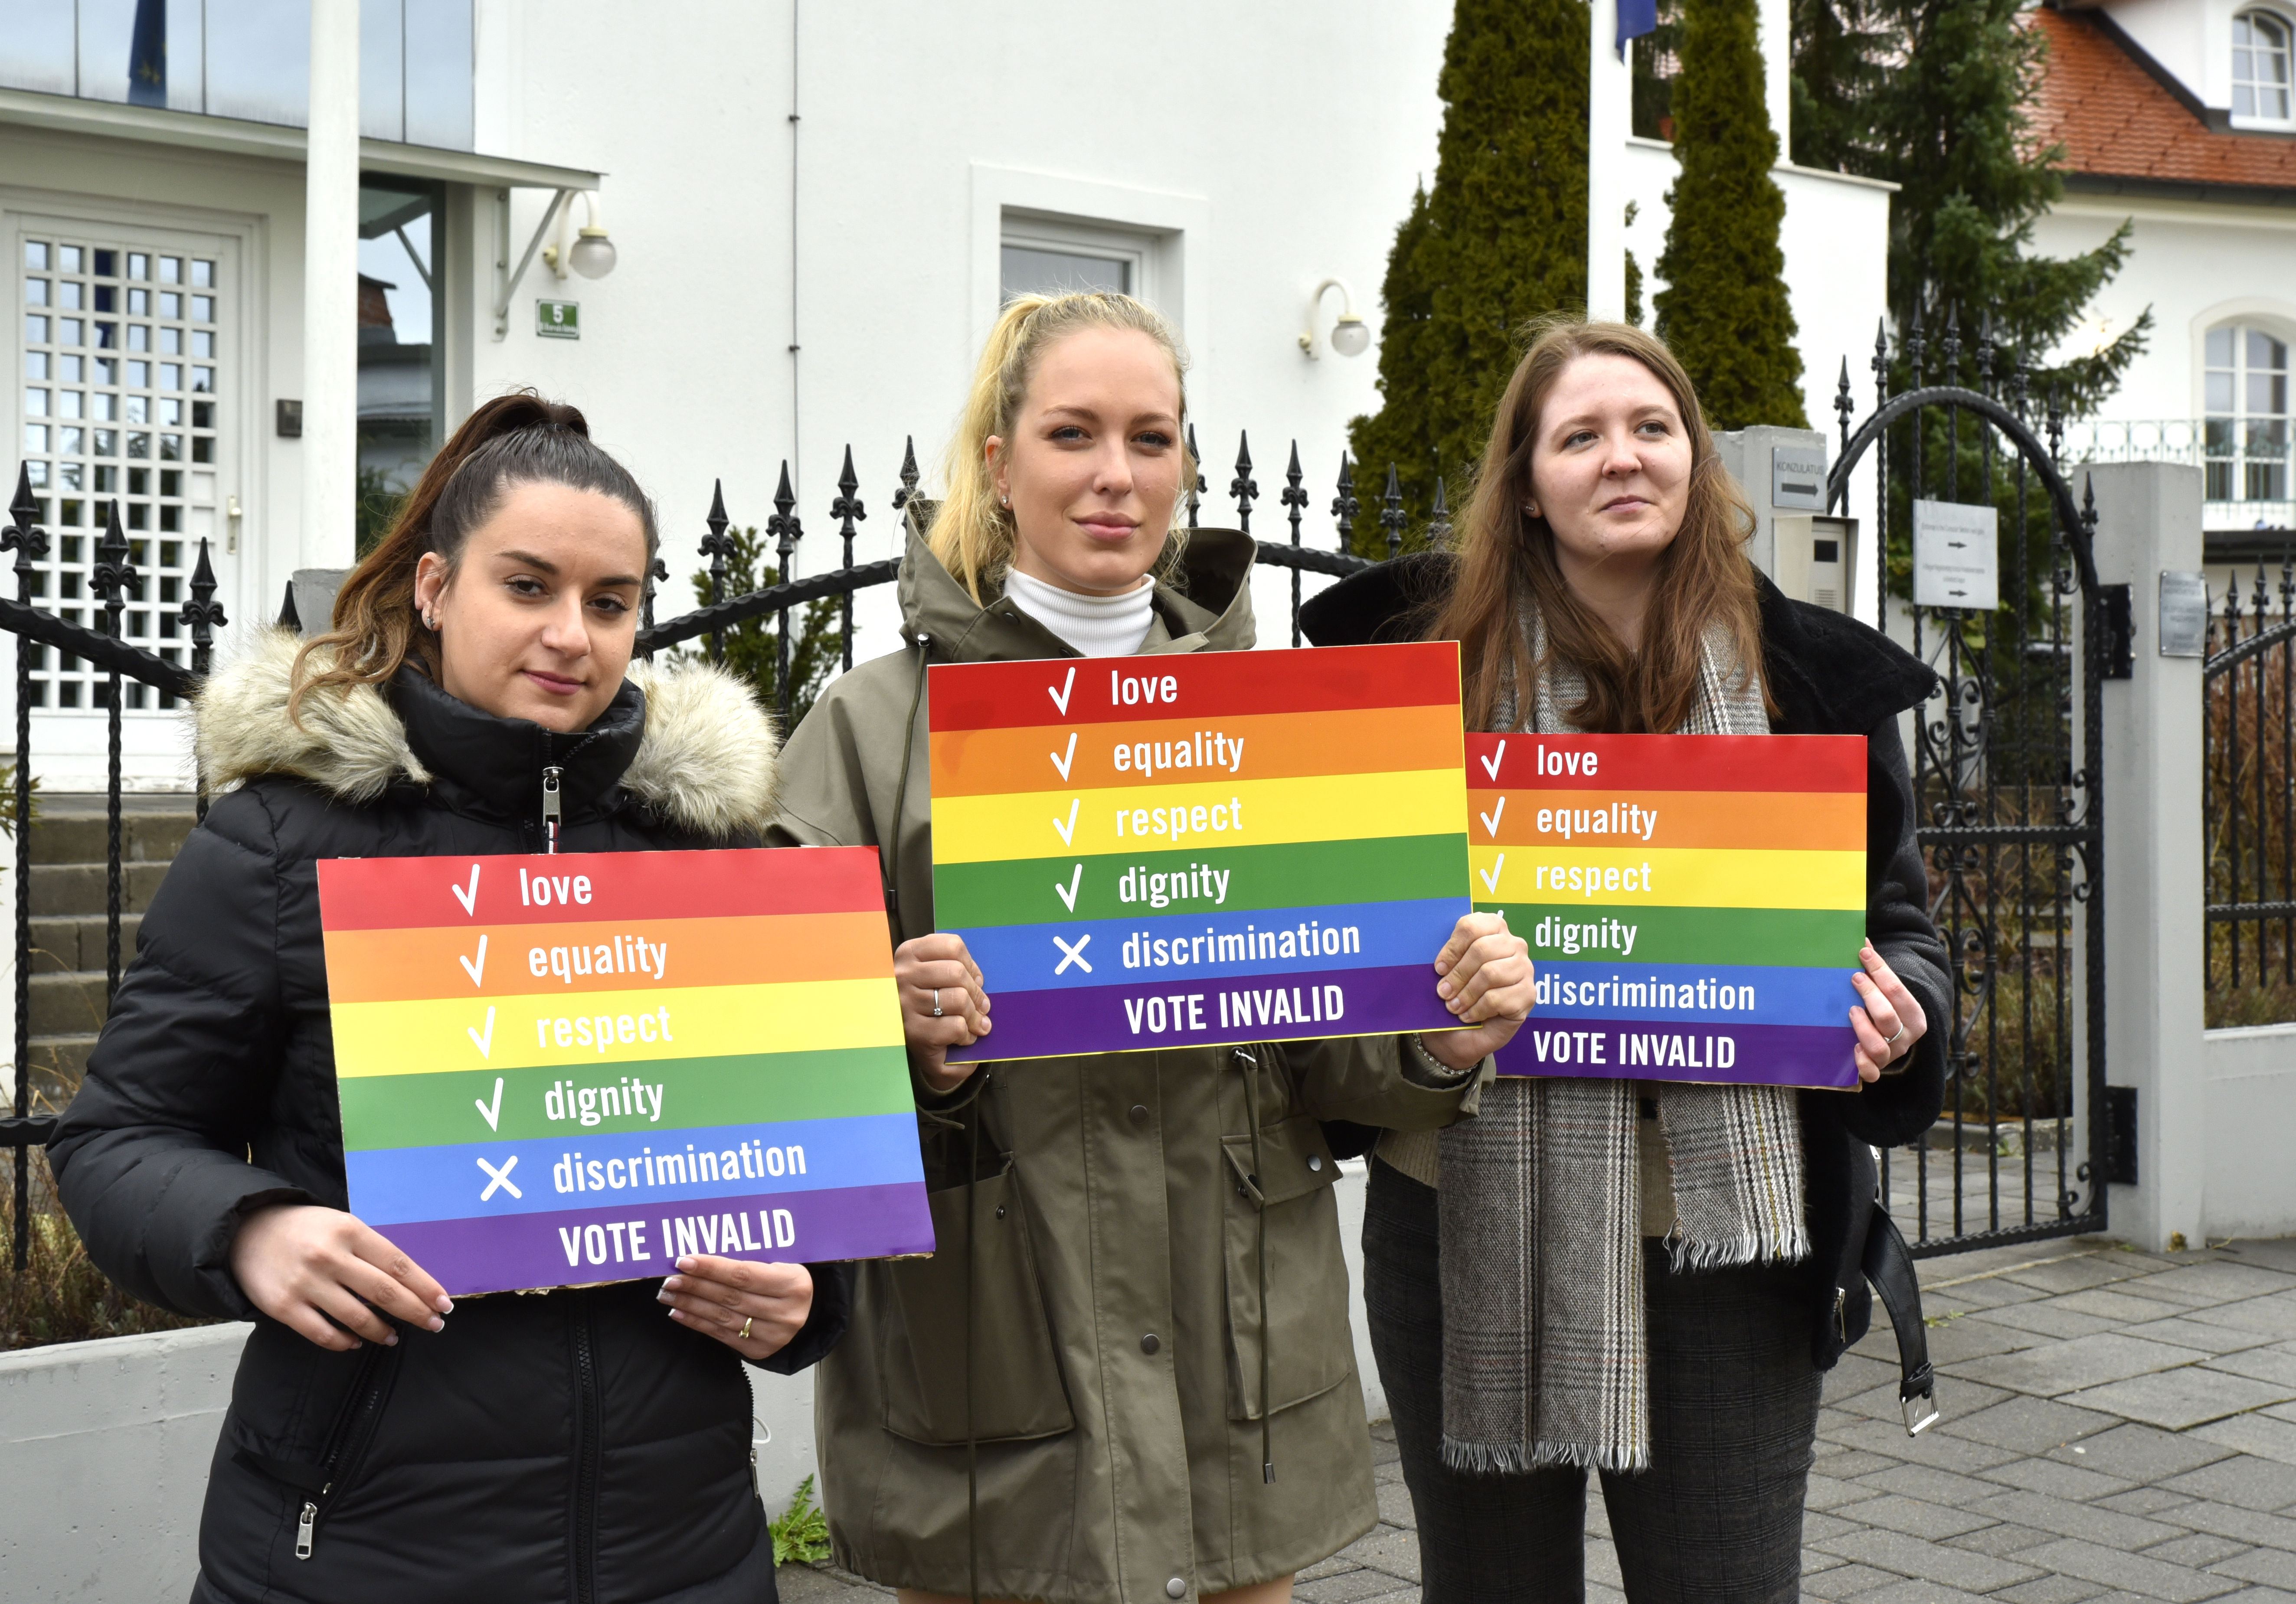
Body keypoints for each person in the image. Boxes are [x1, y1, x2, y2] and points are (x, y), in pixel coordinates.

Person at [765, 291, 1535, 1604]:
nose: (1117, 476)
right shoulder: (867, 729)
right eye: (1073, 433)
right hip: (993, 1378)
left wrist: (1439, 1037)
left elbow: (1332, 1061)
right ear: (998, 463)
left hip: (1234, 1368)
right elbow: (775, 1086)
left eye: (1151, 436)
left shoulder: (1281, 726)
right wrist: (904, 1047)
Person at [48, 394, 852, 1604]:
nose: (571, 635)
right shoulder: (280, 843)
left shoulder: (715, 863)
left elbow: (804, 1180)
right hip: (361, 1553)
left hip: (685, 1555)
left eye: (610, 600)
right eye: (526, 586)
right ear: (433, 587)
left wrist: (805, 1295)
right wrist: (253, 1227)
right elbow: (115, 1140)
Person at [1301, 318, 1951, 1604]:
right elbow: (1337, 969)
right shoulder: (1418, 687)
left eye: (1653, 428)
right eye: (1580, 435)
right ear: (1528, 483)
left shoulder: (1805, 687)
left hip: (1731, 1250)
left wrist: (1905, 1008)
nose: (1623, 458)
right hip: (1465, 1224)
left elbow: (1902, 926)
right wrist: (1431, 1030)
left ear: (1696, 463)